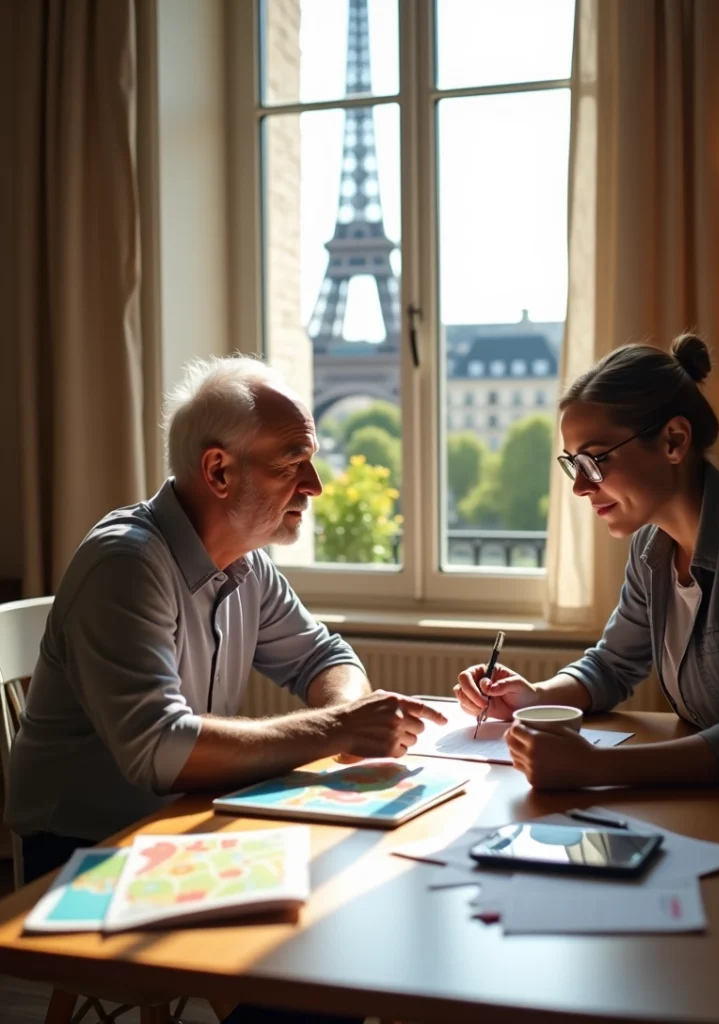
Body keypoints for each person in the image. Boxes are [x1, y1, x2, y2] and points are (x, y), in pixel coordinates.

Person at [5, 355, 445, 1024]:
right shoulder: (125, 564)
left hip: (183, 827)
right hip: (86, 851)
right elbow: (160, 751)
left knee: (359, 920)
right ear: (218, 471)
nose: (316, 485)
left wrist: (347, 709)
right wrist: (339, 730)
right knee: (319, 976)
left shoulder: (246, 563)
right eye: (291, 461)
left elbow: (323, 655)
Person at [455, 334, 719, 1022]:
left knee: (625, 988)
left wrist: (590, 772)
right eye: (571, 462)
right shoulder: (651, 542)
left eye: (595, 460)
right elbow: (611, 664)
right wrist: (535, 697)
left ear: (672, 440)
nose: (578, 485)